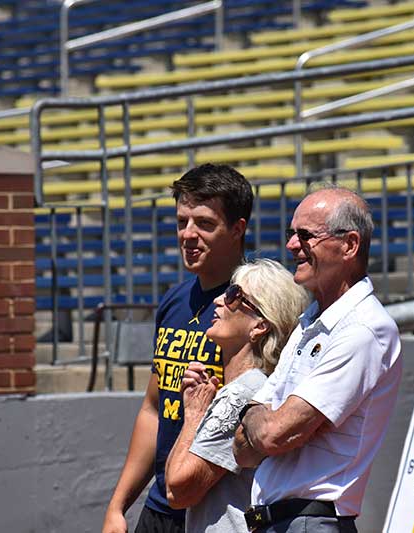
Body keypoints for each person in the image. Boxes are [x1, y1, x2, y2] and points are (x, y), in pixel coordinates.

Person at [233, 185, 402, 533]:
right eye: (291, 233)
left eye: (306, 235)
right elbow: (242, 450)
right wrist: (258, 416)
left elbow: (270, 437)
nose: (292, 245)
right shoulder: (311, 320)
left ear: (349, 245)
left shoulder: (363, 330)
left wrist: (264, 420)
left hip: (310, 521)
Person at [102, 163, 253, 533]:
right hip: (160, 507)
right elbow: (155, 409)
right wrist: (118, 507)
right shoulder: (174, 300)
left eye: (203, 223)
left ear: (237, 230)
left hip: (216, 513)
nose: (188, 234)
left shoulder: (253, 305)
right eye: (182, 221)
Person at [164, 259, 309, 533]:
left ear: (259, 327)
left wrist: (194, 415)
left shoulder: (244, 393)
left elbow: (178, 490)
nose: (219, 300)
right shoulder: (249, 387)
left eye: (234, 296)